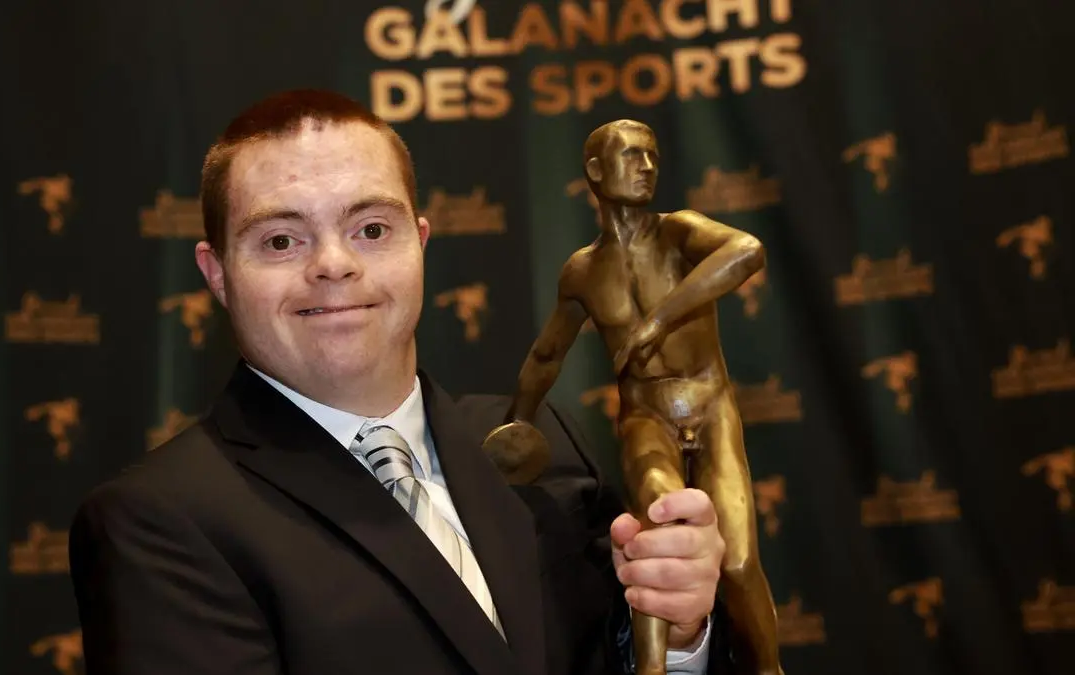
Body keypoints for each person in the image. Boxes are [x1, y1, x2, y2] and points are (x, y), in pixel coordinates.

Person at [68, 89, 733, 675]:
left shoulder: (537, 443)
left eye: (371, 229)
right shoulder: (157, 522)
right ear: (217, 275)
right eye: (280, 241)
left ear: (419, 243)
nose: (334, 264)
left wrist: (679, 639)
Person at [499, 120, 781, 675]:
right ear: (595, 171)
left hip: (711, 407)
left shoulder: (678, 233)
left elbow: (747, 250)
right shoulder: (583, 271)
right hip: (645, 417)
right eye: (631, 155)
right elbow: (547, 355)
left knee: (739, 564)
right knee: (657, 532)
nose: (647, 166)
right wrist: (517, 424)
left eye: (652, 155)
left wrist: (658, 320)